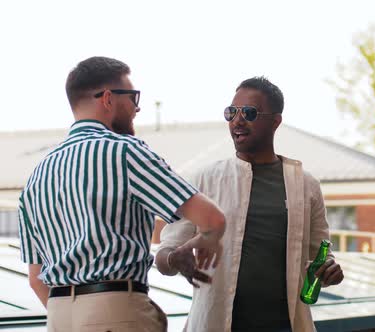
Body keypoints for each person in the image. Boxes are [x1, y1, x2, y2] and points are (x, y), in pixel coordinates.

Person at [17, 56, 226, 332]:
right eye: (133, 97)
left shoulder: (36, 176)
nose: (136, 108)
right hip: (115, 307)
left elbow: (35, 278)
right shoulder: (125, 152)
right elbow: (213, 220)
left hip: (58, 315)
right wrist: (198, 244)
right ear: (107, 98)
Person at [156, 76, 344, 332]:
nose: (237, 120)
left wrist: (329, 271)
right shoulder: (204, 180)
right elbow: (165, 255)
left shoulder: (306, 185)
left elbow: (320, 255)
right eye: (231, 112)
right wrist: (174, 259)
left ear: (276, 121)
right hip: (216, 324)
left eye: (249, 112)